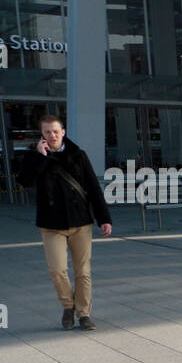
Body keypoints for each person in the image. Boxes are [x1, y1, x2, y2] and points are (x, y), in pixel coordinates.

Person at [16, 115, 113, 330]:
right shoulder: (34, 157)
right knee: (57, 269)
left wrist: (104, 218)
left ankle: (84, 314)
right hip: (51, 223)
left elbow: (93, 188)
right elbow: (24, 182)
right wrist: (40, 158)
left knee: (83, 271)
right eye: (47, 132)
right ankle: (68, 306)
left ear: (63, 132)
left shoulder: (78, 155)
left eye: (55, 131)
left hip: (80, 221)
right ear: (42, 135)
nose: (52, 135)